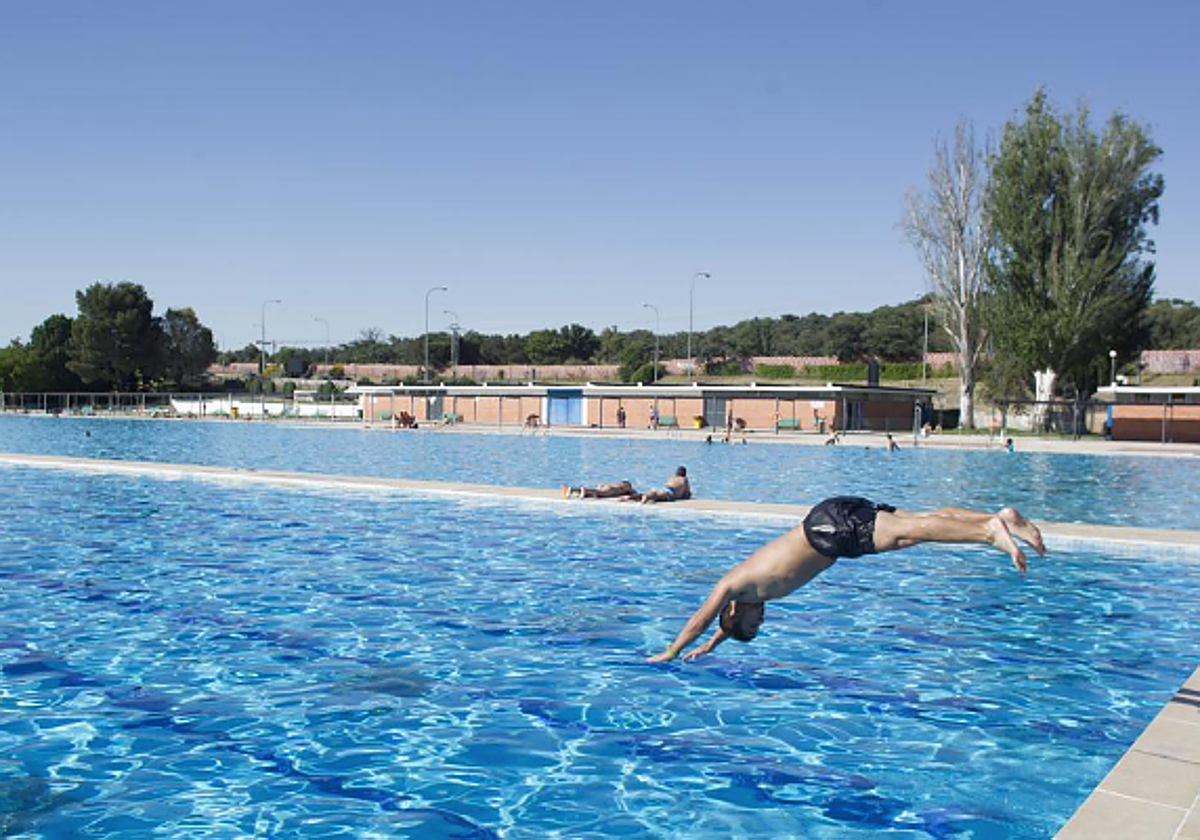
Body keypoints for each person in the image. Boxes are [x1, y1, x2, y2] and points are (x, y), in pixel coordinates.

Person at [646, 496, 1045, 662]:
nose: (762, 620)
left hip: (830, 533)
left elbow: (701, 620)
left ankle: (990, 532)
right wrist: (713, 646)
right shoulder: (749, 593)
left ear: (735, 612)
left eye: (754, 623)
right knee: (915, 523)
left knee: (913, 531)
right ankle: (1000, 518)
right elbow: (723, 628)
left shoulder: (732, 586)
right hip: (829, 522)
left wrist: (672, 650)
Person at [563, 480, 636, 500]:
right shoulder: (625, 489)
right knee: (600, 493)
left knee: (594, 492)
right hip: (610, 489)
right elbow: (634, 493)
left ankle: (574, 489)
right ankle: (584, 490)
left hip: (606, 485)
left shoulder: (619, 485)